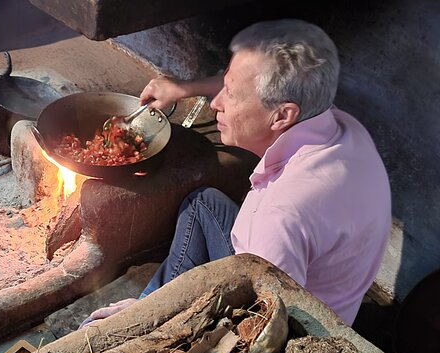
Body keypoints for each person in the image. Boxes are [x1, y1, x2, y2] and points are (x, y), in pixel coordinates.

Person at [83, 19, 391, 327]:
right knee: (202, 204)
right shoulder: (338, 125)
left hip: (295, 322)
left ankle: (140, 322)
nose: (215, 103)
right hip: (315, 281)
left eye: (230, 93)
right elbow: (256, 84)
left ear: (282, 115)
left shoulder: (281, 216)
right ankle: (150, 301)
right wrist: (183, 88)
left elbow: (262, 324)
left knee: (109, 327)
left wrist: (154, 316)